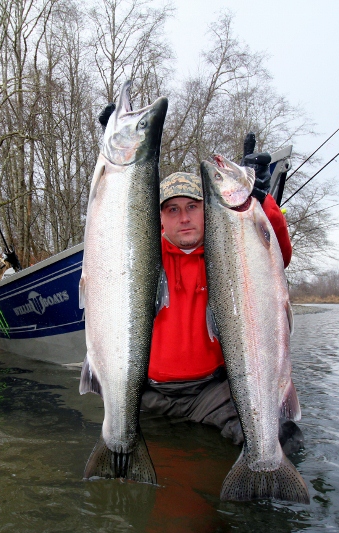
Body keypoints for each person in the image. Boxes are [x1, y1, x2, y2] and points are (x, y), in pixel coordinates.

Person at [98, 103, 301, 453]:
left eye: (193, 206)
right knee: (121, 446)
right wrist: (115, 157)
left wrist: (261, 200)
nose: (184, 218)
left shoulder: (231, 252)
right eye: (172, 209)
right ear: (159, 218)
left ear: (207, 209)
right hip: (147, 391)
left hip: (211, 391)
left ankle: (265, 475)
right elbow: (112, 224)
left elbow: (278, 254)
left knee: (281, 436)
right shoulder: (139, 254)